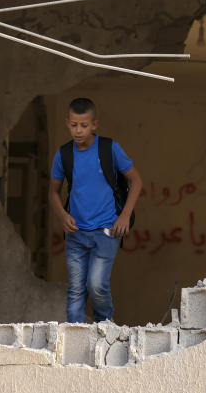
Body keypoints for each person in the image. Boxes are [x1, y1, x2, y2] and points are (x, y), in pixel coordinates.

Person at [48, 97, 142, 323]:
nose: (78, 130)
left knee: (97, 285)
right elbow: (53, 192)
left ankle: (104, 330)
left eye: (84, 125)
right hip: (75, 233)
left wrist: (125, 216)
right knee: (76, 292)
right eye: (73, 125)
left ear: (94, 125)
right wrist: (63, 216)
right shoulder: (64, 154)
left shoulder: (110, 149)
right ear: (67, 123)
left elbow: (136, 181)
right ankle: (74, 339)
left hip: (106, 231)